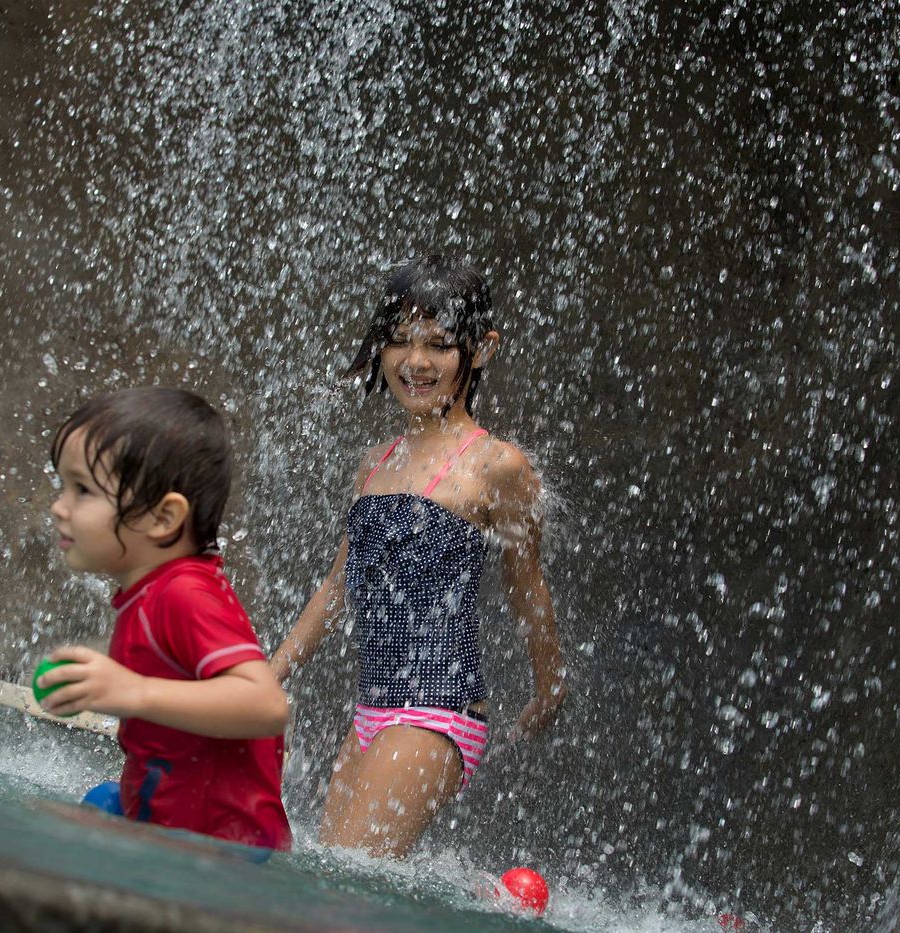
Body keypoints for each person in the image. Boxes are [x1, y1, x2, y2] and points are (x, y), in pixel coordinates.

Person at [271, 253, 566, 858]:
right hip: (372, 711)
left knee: (346, 878)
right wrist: (266, 677)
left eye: (438, 344)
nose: (416, 361)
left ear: (480, 350)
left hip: (439, 711)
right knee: (329, 870)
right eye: (400, 340)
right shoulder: (375, 463)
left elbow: (527, 585)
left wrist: (549, 689)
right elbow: (336, 588)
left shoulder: (497, 465)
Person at [36, 386, 292, 850]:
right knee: (89, 809)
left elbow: (266, 705)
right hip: (169, 824)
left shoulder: (185, 594)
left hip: (222, 849)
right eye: (63, 486)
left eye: (83, 490)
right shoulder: (147, 593)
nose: (59, 506)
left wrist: (132, 690)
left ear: (163, 517)